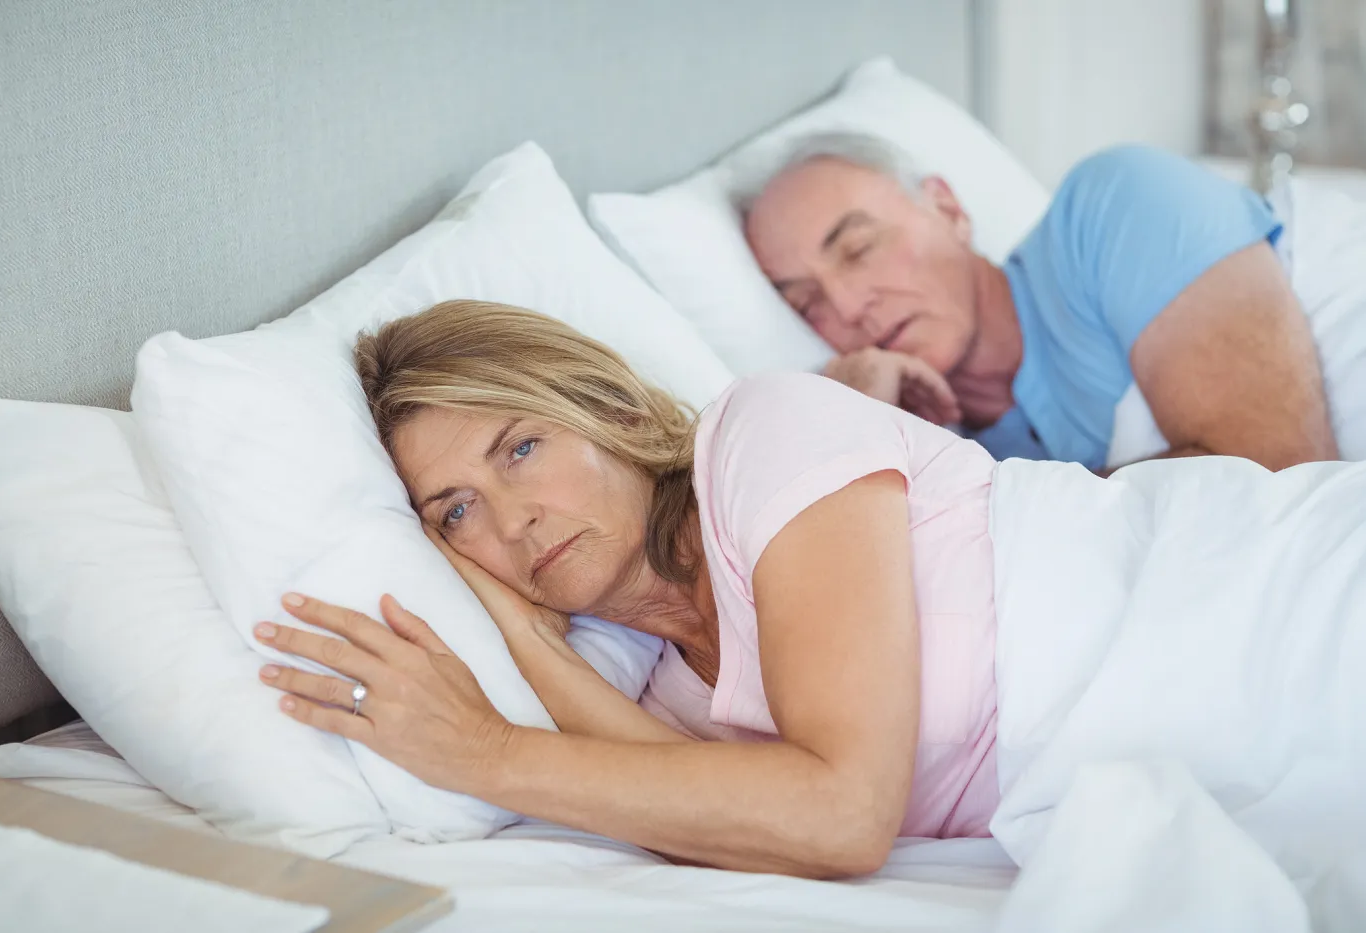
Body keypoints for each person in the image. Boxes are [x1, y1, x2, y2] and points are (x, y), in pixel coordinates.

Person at [251, 301, 1363, 880]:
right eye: (453, 514)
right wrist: (532, 650)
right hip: (1204, 738)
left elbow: (838, 816)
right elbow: (718, 814)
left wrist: (479, 750)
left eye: (520, 448)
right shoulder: (653, 696)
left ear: (616, 418)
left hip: (1261, 604)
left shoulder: (766, 437)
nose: (507, 518)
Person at [740, 135, 1339, 473]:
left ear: (948, 209)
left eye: (858, 248)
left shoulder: (1116, 205)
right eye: (806, 303)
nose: (847, 307)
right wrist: (852, 421)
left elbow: (1278, 474)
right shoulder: (941, 459)